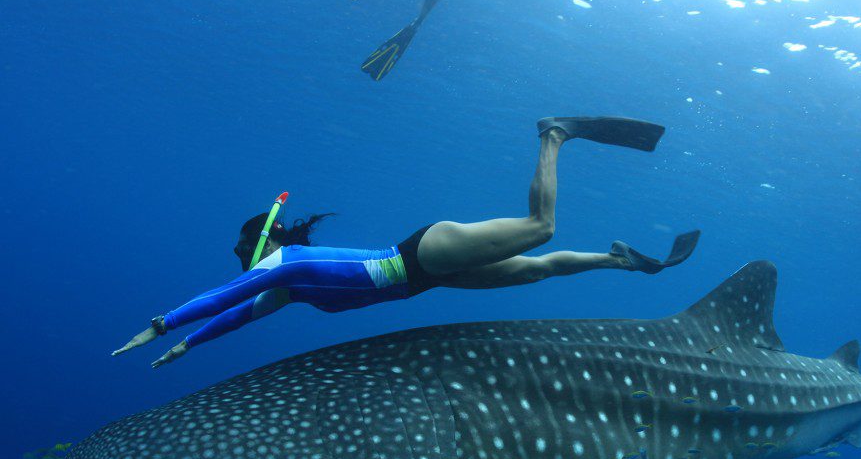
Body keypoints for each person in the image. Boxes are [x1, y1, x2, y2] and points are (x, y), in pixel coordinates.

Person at [112, 116, 700, 368]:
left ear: (262, 249)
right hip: (430, 277)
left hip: (424, 253)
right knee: (536, 271)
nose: (250, 267)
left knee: (541, 229)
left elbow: (224, 296)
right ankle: (621, 261)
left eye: (249, 258)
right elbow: (237, 315)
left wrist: (163, 324)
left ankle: (554, 135)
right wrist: (190, 348)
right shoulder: (286, 290)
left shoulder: (286, 263)